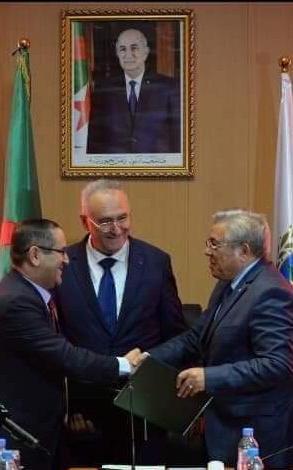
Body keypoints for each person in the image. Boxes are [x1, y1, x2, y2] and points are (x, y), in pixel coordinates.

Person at [130, 209, 293, 469]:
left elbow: (276, 365)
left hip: (264, 435)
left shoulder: (271, 292)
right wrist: (148, 358)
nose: (207, 251)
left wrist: (208, 377)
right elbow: (195, 338)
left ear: (244, 251)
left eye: (215, 244)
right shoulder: (229, 283)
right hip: (229, 426)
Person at [0, 219, 136, 470]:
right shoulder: (16, 303)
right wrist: (124, 365)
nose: (67, 260)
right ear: (35, 255)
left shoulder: (30, 295)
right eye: (61, 252)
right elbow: (66, 357)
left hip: (28, 431)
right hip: (4, 435)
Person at [55, 179, 187, 465]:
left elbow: (176, 335)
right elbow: (55, 341)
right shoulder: (62, 266)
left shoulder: (156, 262)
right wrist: (66, 407)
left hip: (144, 416)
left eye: (122, 218)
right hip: (82, 419)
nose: (116, 229)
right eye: (105, 221)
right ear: (85, 221)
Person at [87, 28, 181, 154]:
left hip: (156, 164)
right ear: (117, 53)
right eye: (122, 49)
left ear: (146, 52)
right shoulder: (104, 89)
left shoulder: (168, 87)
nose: (128, 54)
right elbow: (95, 139)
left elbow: (177, 137)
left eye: (134, 48)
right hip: (115, 164)